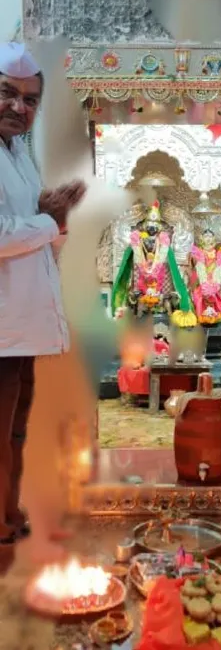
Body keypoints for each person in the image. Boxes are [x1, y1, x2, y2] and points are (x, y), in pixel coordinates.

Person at [0, 42, 85, 548]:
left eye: (30, 100)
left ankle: (7, 512)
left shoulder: (19, 156)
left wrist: (58, 221)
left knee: (15, 429)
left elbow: (34, 231)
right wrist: (48, 219)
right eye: (7, 94)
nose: (18, 107)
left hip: (21, 324)